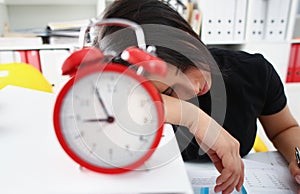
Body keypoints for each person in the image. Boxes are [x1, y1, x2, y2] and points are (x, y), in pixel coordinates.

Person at [92, 0, 300, 193]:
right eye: (168, 92)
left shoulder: (254, 71)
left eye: (185, 64)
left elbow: (284, 128)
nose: (190, 89)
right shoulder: (128, 98)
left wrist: (297, 156)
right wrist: (192, 116)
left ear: (189, 34)